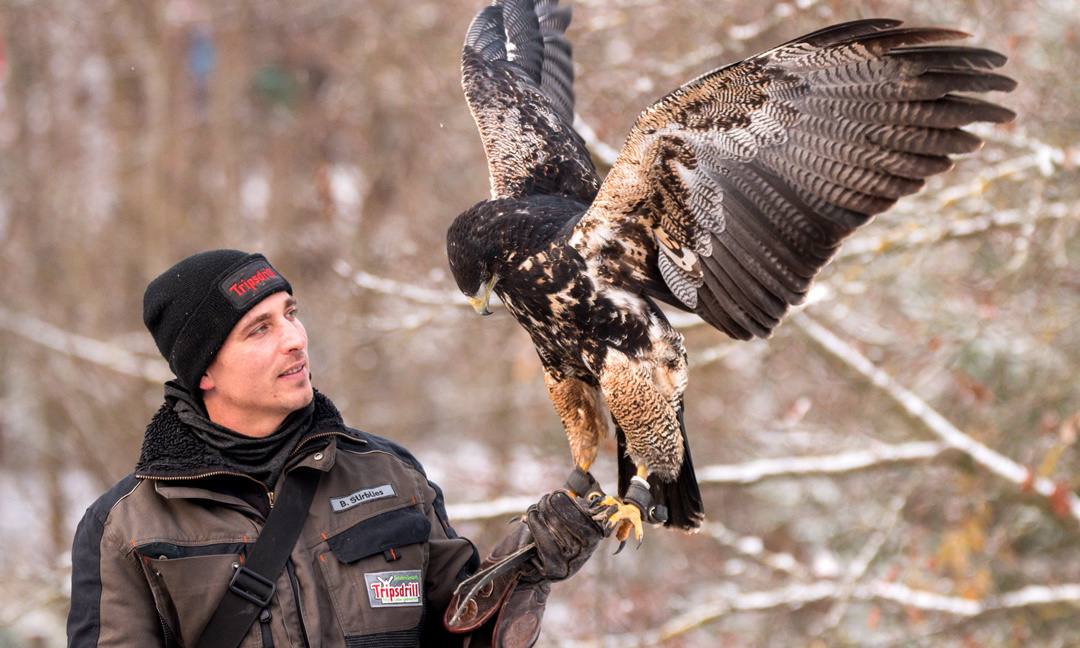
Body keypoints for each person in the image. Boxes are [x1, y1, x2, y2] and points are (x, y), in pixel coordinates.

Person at [67, 249, 606, 648]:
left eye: (291, 313)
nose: (295, 338)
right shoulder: (127, 529)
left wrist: (522, 570)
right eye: (259, 329)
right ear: (203, 370)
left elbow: (462, 635)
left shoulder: (389, 476)